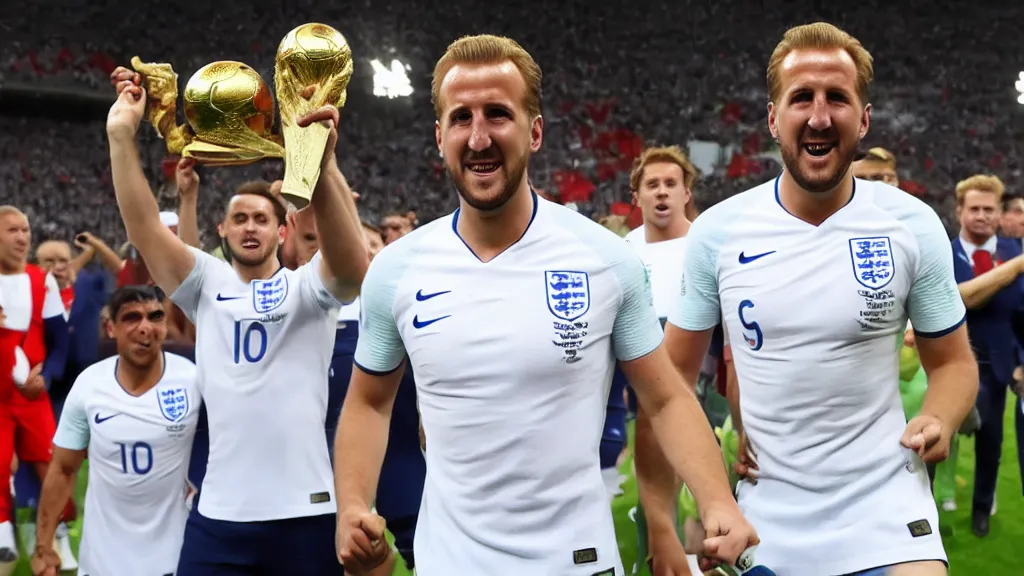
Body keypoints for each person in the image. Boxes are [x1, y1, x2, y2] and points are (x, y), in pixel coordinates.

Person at [334, 34, 757, 576]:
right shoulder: (396, 270)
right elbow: (369, 403)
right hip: (448, 563)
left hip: (577, 561)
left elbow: (667, 399)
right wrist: (351, 505)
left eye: (498, 114)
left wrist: (716, 501)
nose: (479, 136)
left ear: (535, 131)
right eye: (461, 118)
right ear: (439, 136)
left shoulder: (603, 259)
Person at [653, 22, 978, 576]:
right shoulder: (721, 233)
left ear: (864, 118)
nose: (820, 116)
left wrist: (939, 418)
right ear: (774, 118)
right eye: (802, 97)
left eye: (838, 98)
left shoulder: (911, 224)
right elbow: (671, 384)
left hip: (887, 504)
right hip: (768, 513)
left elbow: (953, 363)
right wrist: (713, 496)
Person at [107, 64, 369, 575]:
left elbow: (355, 267)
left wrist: (318, 162)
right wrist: (121, 136)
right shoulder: (206, 283)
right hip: (220, 514)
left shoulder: (308, 287)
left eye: (262, 218)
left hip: (307, 512)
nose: (251, 227)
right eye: (240, 218)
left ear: (283, 230)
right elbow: (142, 228)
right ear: (222, 229)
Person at [31, 285, 199, 576]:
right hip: (102, 562)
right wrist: (44, 547)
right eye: (132, 317)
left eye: (155, 316)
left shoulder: (193, 381)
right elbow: (63, 469)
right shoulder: (89, 386)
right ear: (111, 327)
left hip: (173, 559)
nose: (145, 327)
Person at [947, 174, 1024, 537]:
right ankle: (923, 511)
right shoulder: (940, 253)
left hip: (998, 366)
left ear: (998, 214)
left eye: (988, 209)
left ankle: (981, 508)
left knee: (991, 444)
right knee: (936, 440)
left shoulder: (1015, 251)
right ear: (959, 211)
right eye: (974, 208)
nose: (981, 216)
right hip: (947, 364)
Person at [0, 206, 75, 570]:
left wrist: (47, 377)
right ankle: (5, 540)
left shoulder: (40, 280)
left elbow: (60, 343)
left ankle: (53, 540)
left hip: (32, 394)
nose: (22, 237)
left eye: (26, 230)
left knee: (53, 466)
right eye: (13, 230)